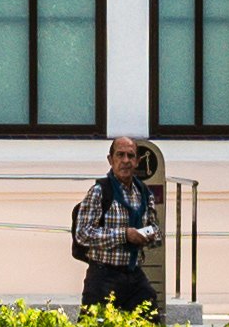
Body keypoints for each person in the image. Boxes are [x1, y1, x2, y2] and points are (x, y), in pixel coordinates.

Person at [70, 134, 167, 316]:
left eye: (130, 156)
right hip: (103, 275)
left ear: (137, 161)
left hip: (133, 274)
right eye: (120, 155)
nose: (125, 161)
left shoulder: (144, 193)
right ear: (110, 160)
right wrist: (124, 235)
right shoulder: (99, 192)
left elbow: (156, 231)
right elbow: (83, 233)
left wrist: (147, 234)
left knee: (150, 316)